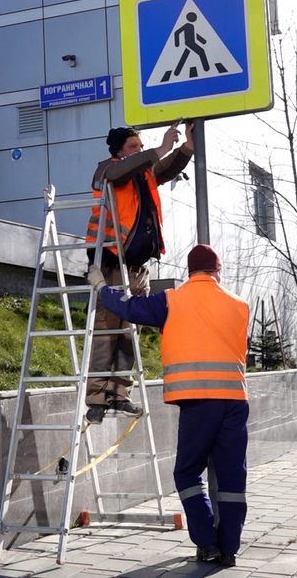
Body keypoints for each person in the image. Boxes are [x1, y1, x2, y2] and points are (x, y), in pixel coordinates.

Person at [87, 244, 249, 567]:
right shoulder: (240, 305)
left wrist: (102, 288)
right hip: (235, 402)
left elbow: (131, 308)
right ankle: (229, 548)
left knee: (188, 472)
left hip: (198, 401)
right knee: (232, 479)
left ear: (190, 272)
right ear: (217, 271)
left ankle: (207, 542)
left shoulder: (172, 300)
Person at [82, 119, 194, 425]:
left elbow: (165, 168)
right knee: (107, 333)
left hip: (137, 268)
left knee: (130, 333)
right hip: (111, 262)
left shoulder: (143, 175)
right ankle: (96, 399)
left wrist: (185, 148)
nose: (140, 152)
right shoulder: (107, 169)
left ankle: (120, 395)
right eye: (134, 147)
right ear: (118, 151)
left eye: (141, 148)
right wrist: (158, 149)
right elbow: (123, 170)